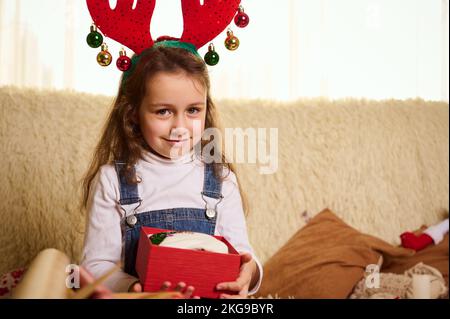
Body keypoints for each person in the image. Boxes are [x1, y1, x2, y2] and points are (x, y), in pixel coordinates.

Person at [80, 42, 262, 298]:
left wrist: (248, 273)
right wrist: (134, 288)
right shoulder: (113, 180)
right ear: (132, 113)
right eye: (163, 111)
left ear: (206, 109)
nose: (180, 126)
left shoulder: (220, 180)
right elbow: (94, 267)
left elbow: (243, 257)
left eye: (193, 110)